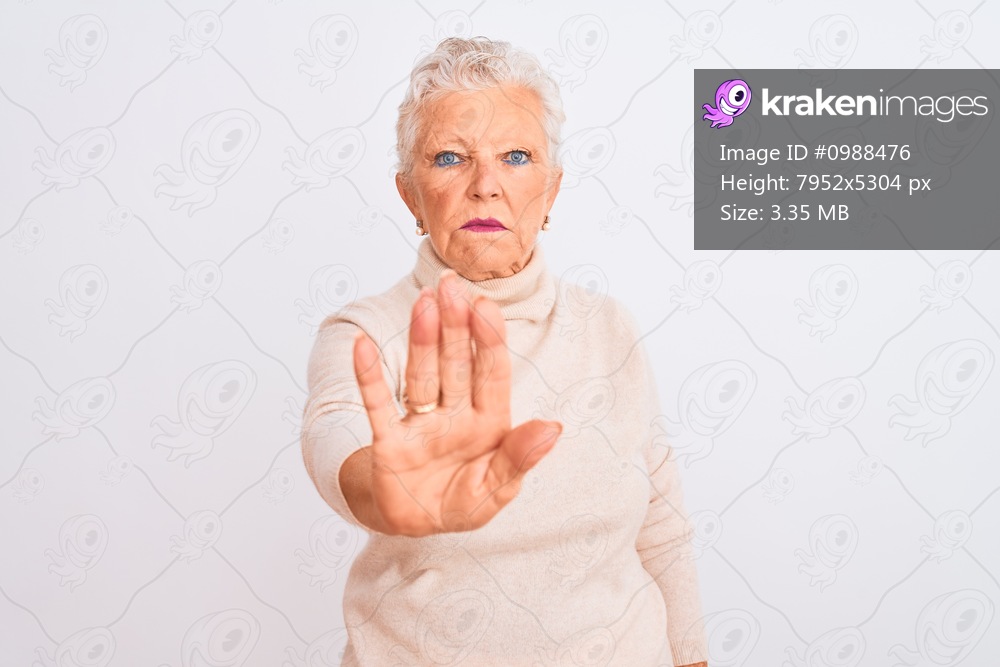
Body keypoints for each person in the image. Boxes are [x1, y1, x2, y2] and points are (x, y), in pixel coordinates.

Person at [301, 36, 709, 667]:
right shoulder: (363, 333)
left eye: (516, 156)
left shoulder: (609, 328)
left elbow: (662, 529)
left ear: (551, 191)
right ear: (410, 194)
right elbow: (335, 444)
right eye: (449, 158)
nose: (485, 185)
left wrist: (693, 658)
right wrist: (391, 489)